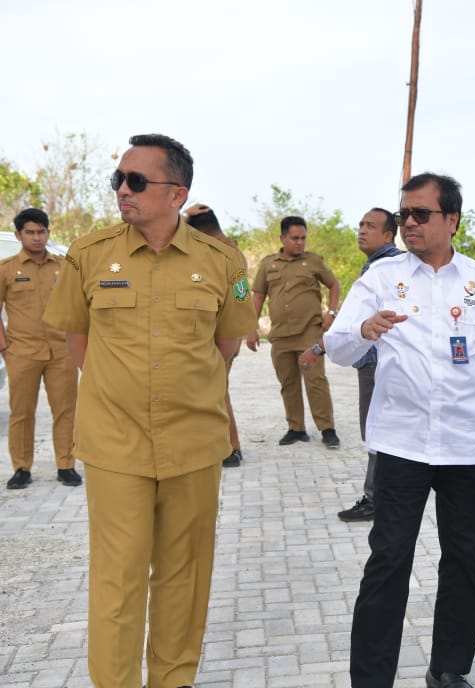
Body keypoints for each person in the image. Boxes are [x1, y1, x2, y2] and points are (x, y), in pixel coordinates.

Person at [43, 133, 258, 688]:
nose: (123, 190)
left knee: (184, 579)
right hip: (115, 443)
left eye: (137, 181)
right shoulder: (88, 255)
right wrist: (121, 391)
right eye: (119, 179)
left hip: (193, 443)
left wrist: (186, 392)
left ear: (176, 193)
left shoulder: (222, 261)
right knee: (117, 579)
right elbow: (77, 339)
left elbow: (227, 344)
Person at [324, 173, 475, 688]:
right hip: (402, 444)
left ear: (451, 219)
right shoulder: (382, 279)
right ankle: (371, 677)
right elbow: (337, 343)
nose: (409, 223)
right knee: (388, 561)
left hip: (467, 446)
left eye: (421, 214)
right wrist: (363, 329)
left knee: (467, 561)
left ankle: (449, 670)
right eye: (404, 214)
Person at [327, 207, 403, 522]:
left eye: (370, 226)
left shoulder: (387, 267)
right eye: (360, 224)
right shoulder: (376, 265)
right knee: (375, 429)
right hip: (369, 359)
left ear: (388, 235)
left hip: (377, 362)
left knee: (376, 430)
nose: (362, 230)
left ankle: (376, 499)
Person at [0, 207, 79, 489]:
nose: (36, 238)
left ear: (48, 233)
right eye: (30, 233)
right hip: (22, 351)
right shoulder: (6, 269)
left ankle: (66, 465)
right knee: (21, 412)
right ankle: (21, 467)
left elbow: (79, 303)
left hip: (62, 351)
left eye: (41, 232)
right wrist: (4, 345)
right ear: (18, 235)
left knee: (66, 409)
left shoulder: (63, 266)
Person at [248, 216, 341, 448]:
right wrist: (251, 327)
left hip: (309, 333)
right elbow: (258, 295)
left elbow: (334, 285)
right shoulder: (268, 264)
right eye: (295, 238)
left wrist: (332, 312)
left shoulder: (314, 262)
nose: (300, 243)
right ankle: (296, 428)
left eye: (303, 238)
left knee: (315, 380)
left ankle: (327, 429)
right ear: (282, 238)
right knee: (288, 383)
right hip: (280, 336)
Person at [185, 203, 246, 467]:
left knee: (217, 389)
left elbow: (240, 295)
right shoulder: (223, 250)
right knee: (214, 389)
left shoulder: (226, 255)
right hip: (219, 331)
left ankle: (231, 447)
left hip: (223, 334)